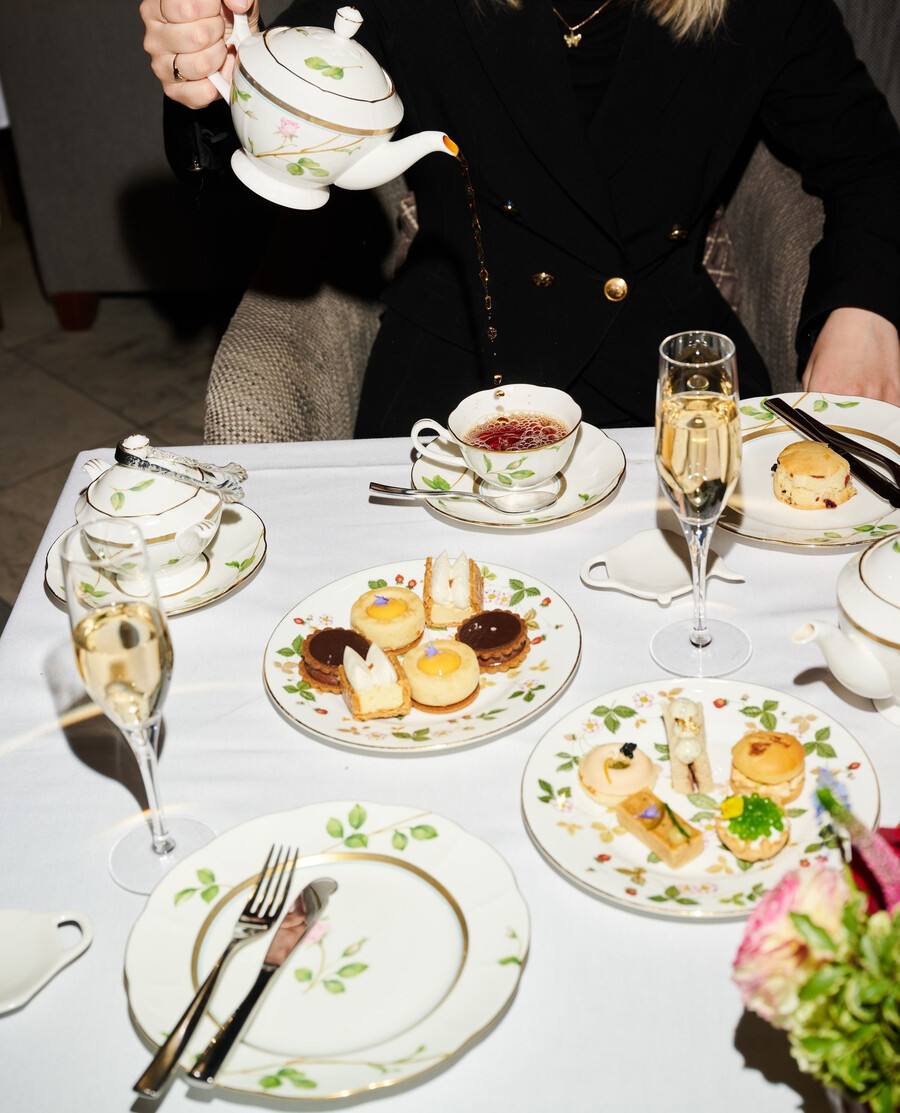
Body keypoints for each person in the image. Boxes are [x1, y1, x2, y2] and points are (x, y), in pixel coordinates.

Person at [140, 0, 900, 436]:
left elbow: (869, 158)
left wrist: (863, 308)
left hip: (666, 374)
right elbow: (275, 114)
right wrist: (211, 68)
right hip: (460, 354)